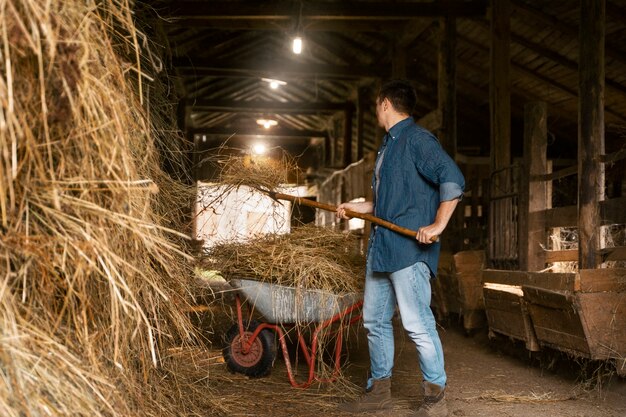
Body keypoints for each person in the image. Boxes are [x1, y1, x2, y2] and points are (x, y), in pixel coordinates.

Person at [336, 80, 464, 417]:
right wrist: (358, 207)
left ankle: (436, 398)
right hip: (382, 248)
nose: (376, 111)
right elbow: (384, 204)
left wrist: (438, 225)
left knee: (417, 322)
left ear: (385, 104)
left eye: (377, 105)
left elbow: (452, 178)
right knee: (374, 321)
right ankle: (379, 391)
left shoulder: (417, 140)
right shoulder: (387, 146)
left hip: (408, 253)